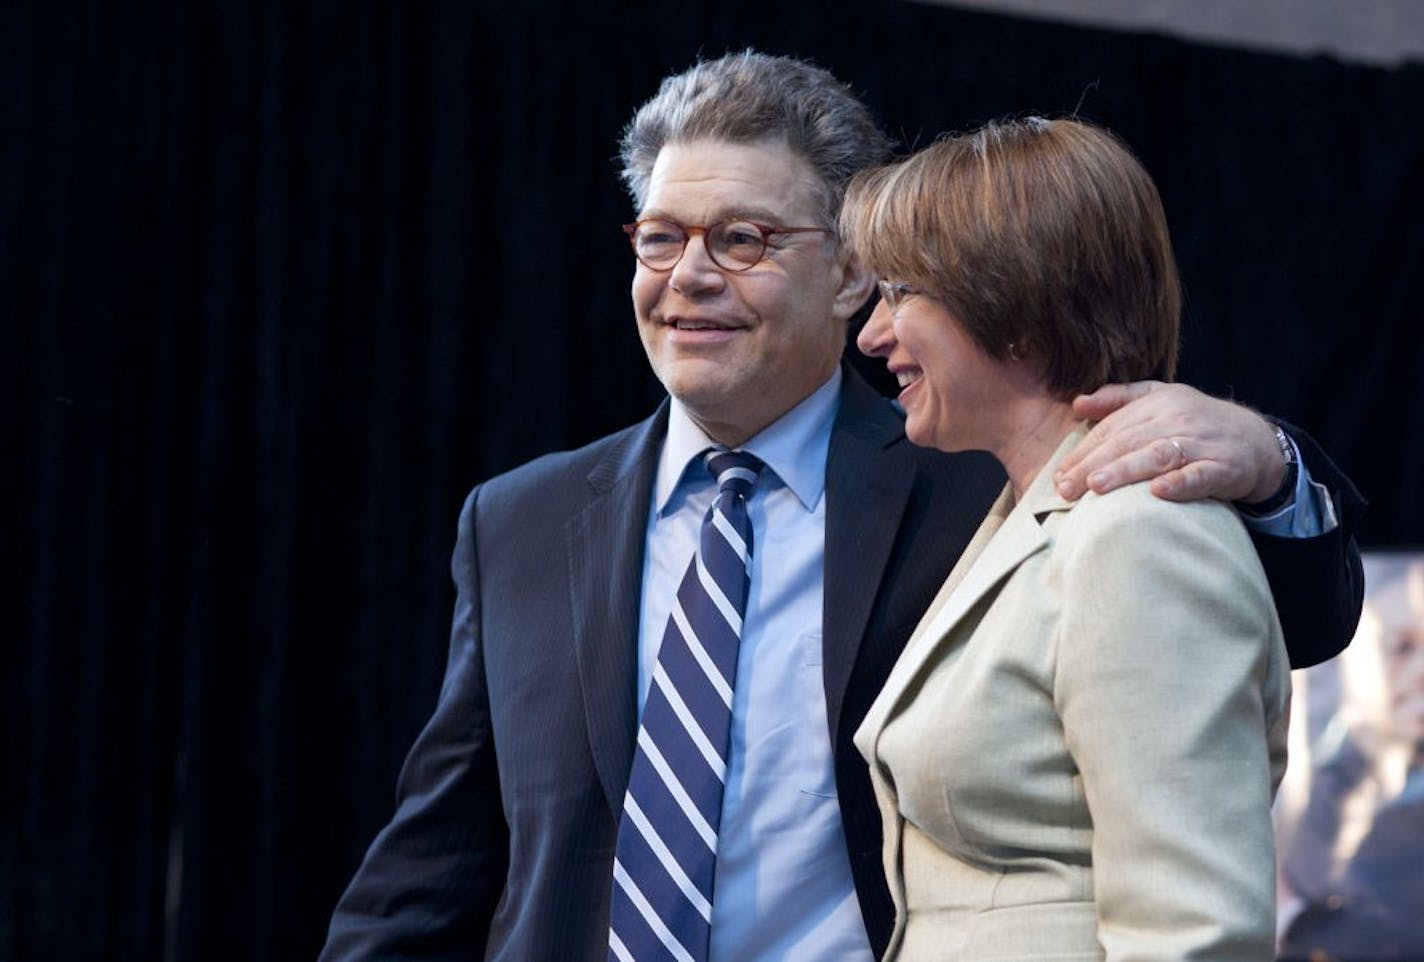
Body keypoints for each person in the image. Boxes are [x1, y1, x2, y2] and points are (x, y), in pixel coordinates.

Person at [320, 53, 1365, 962]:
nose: (688, 276)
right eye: (658, 237)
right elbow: (437, 856)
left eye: (742, 238)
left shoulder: (983, 479)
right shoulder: (520, 521)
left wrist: (1272, 465)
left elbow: (1269, 629)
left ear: (849, 272)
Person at [843, 116, 1293, 960]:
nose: (872, 334)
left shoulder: (1142, 535)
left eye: (902, 292)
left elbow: (1194, 936)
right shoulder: (1021, 519)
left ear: (1013, 304)